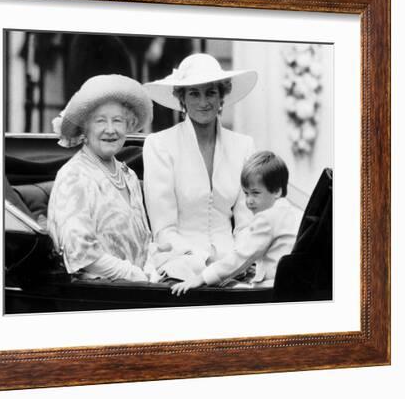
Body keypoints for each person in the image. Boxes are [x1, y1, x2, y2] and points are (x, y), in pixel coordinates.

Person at [142, 53, 258, 281]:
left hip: (233, 264)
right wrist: (199, 264)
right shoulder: (159, 144)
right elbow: (164, 229)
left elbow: (247, 223)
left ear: (222, 96)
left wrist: (237, 261)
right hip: (178, 262)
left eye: (211, 92)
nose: (203, 102)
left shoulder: (244, 146)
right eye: (194, 93)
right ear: (182, 99)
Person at [48, 74, 158, 282]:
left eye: (118, 120)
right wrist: (133, 275)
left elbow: (145, 239)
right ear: (85, 129)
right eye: (100, 121)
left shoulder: (129, 175)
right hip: (98, 293)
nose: (110, 130)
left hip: (140, 289)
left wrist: (151, 270)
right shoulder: (73, 176)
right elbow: (80, 252)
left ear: (128, 125)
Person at [171, 151, 302, 295]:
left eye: (255, 193)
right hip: (292, 285)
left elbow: (242, 257)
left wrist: (202, 277)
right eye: (246, 193)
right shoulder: (291, 211)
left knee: (222, 289)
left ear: (277, 191)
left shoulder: (267, 218)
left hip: (272, 289)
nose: (249, 201)